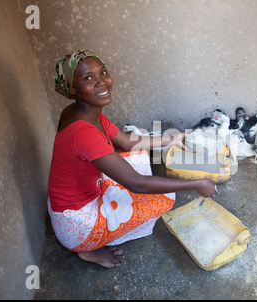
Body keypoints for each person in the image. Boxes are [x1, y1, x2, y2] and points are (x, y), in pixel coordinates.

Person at [48, 49, 217, 268]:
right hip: (77, 225)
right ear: (72, 88)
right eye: (88, 78)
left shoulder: (81, 111)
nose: (102, 82)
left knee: (136, 154)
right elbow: (138, 184)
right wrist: (198, 184)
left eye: (103, 72)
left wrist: (171, 140)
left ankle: (100, 230)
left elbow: (126, 142)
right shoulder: (84, 132)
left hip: (68, 201)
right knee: (165, 197)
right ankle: (89, 249)